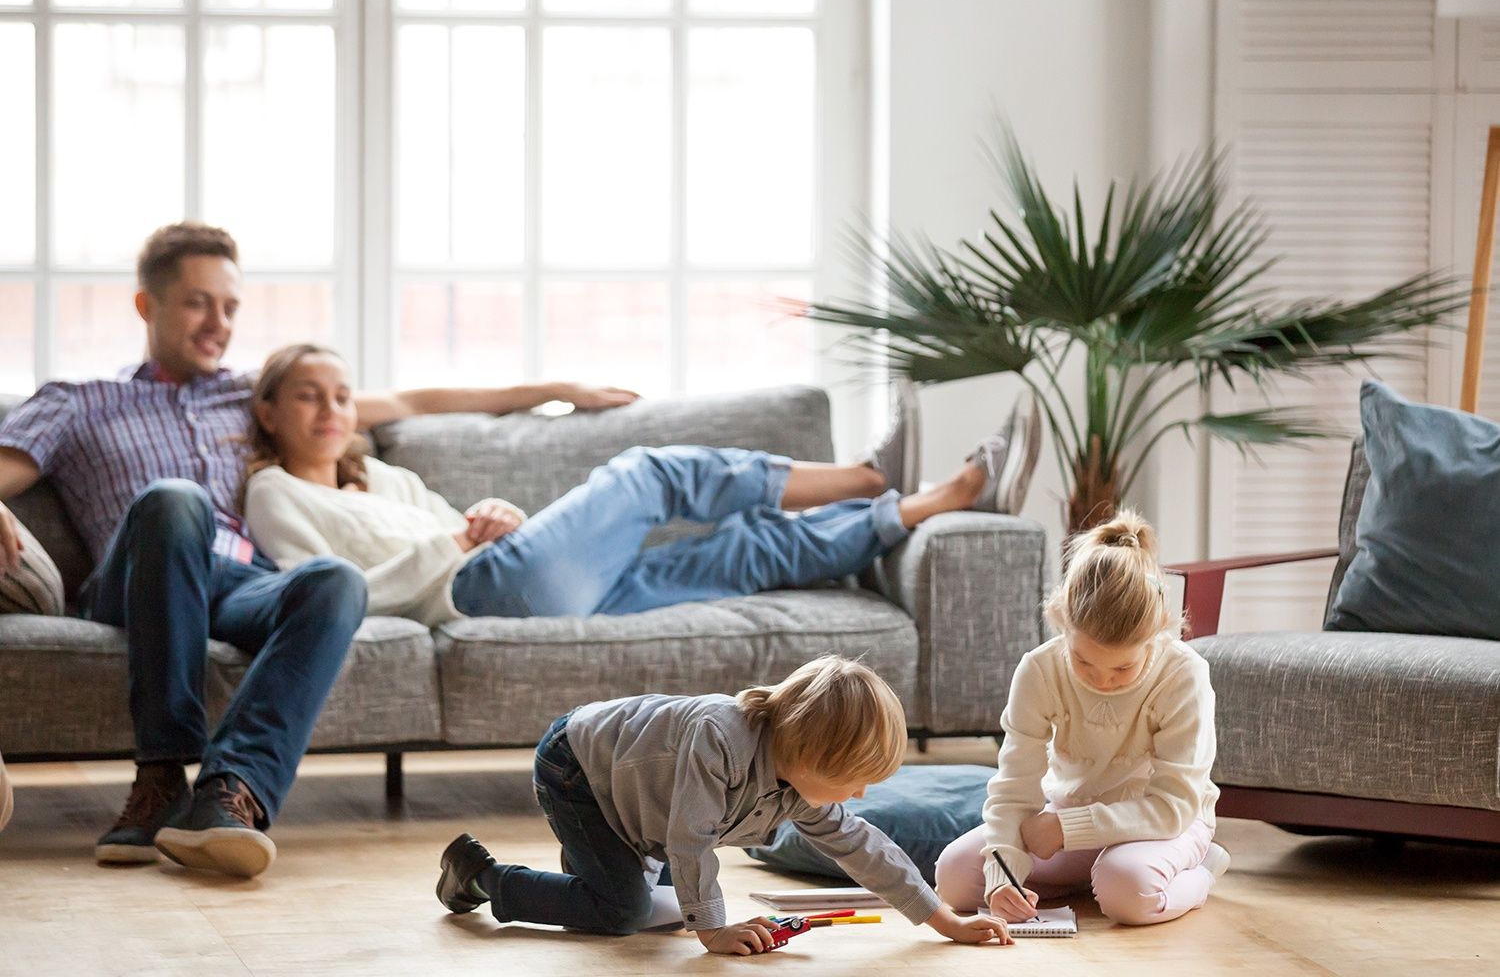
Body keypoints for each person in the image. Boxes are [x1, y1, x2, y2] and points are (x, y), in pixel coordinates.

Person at [0, 222, 637, 877]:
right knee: (176, 499)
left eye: (229, 306)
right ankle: (161, 775)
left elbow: (411, 401)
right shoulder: (79, 403)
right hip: (139, 579)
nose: (217, 322)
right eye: (197, 302)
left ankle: (229, 795)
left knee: (332, 579)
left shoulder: (249, 396)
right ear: (147, 305)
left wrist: (555, 390)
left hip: (237, 580)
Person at [238, 344, 1027, 624]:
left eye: (342, 395)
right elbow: (322, 595)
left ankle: (928, 501)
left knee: (740, 552)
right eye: (309, 395)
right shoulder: (274, 494)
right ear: (269, 412)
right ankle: (864, 474)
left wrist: (493, 514)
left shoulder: (381, 476)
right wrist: (455, 543)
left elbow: (460, 521)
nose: (332, 409)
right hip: (479, 591)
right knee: (649, 473)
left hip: (518, 576)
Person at [434, 656, 1014, 952]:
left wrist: (945, 921)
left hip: (639, 801)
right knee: (624, 914)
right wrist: (713, 930)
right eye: (852, 781)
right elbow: (690, 840)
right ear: (809, 755)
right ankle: (481, 876)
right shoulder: (721, 737)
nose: (858, 796)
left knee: (656, 914)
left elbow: (864, 848)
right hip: (579, 770)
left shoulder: (800, 787)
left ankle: (595, 874)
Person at [933, 510, 1230, 927]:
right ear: (1061, 621)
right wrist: (1004, 877)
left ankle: (1197, 873)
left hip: (1164, 825)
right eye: (1084, 662)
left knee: (1128, 893)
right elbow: (1014, 788)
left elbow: (1173, 806)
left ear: (1159, 632)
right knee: (954, 879)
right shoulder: (1039, 669)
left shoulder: (1184, 675)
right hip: (1069, 818)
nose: (1102, 681)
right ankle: (1088, 877)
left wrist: (1066, 829)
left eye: (1122, 669)